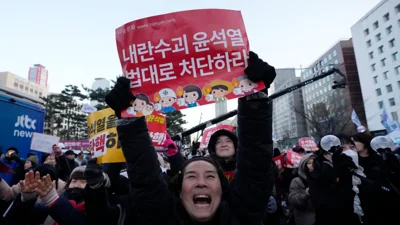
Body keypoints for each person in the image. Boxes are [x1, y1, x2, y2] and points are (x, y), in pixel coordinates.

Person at [105, 51, 276, 224]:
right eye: (191, 176)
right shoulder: (163, 218)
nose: (201, 183)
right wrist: (130, 116)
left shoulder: (241, 215)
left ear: (222, 189)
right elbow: (144, 178)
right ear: (179, 191)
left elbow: (255, 168)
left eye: (210, 176)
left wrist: (255, 97)